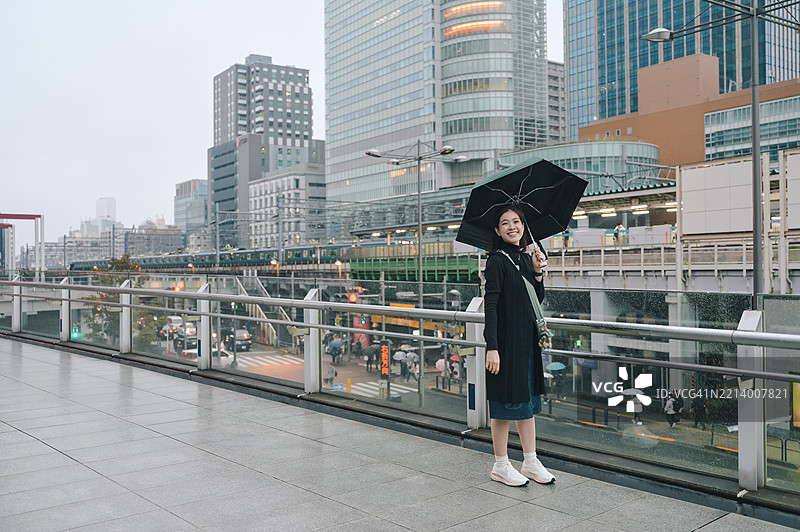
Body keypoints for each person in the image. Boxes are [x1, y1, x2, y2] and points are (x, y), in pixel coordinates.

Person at [484, 205, 555, 487]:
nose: (512, 226)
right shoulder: (496, 261)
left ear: (523, 227)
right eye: (505, 223)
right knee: (503, 405)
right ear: (497, 231)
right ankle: (500, 464)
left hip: (526, 343)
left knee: (527, 403)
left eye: (516, 221)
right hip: (504, 345)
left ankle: (530, 460)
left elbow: (536, 299)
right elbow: (491, 304)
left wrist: (538, 272)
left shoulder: (526, 259)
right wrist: (492, 346)